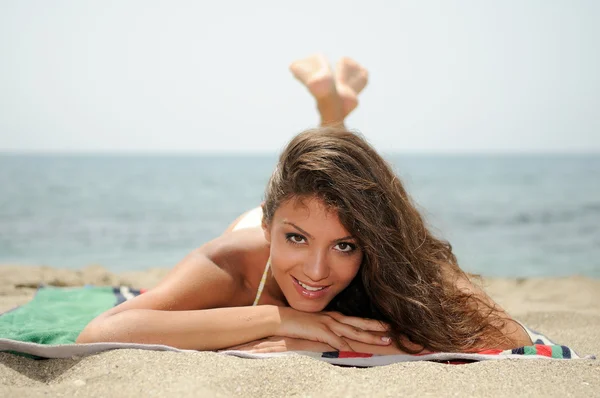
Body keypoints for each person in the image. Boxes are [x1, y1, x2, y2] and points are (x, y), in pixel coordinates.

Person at [77, 55, 532, 354]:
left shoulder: (398, 256)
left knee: (336, 187)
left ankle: (334, 110)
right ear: (269, 224)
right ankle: (334, 111)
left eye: (346, 246)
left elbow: (511, 340)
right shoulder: (234, 261)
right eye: (296, 238)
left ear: (372, 241)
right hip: (255, 233)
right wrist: (283, 319)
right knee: (323, 183)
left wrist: (313, 342)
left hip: (326, 215)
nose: (316, 270)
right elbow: (100, 332)